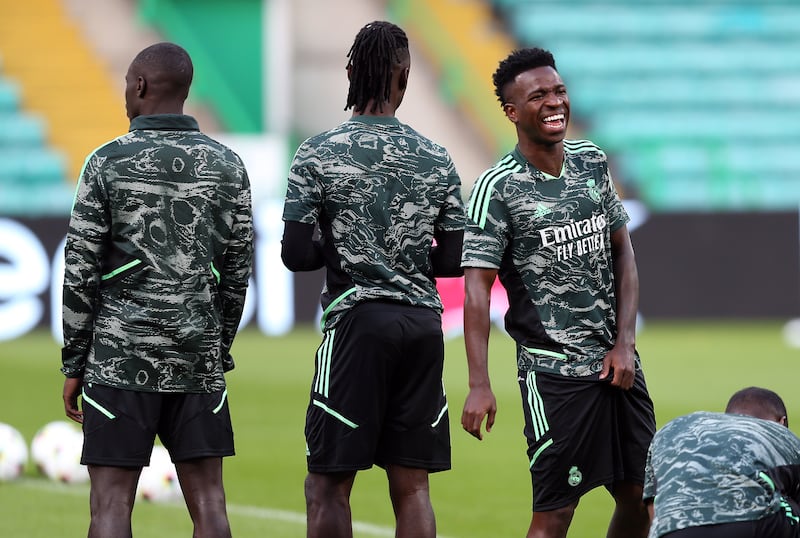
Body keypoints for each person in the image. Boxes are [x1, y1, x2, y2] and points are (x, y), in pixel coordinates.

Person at [460, 47, 655, 537]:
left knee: (641, 497)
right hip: (554, 376)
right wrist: (480, 383)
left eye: (559, 91)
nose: (554, 103)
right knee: (555, 514)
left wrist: (624, 342)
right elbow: (478, 292)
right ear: (511, 112)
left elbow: (624, 254)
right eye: (539, 95)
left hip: (619, 367)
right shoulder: (496, 188)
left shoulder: (591, 162)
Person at [60, 42, 253, 538]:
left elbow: (80, 270)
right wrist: (214, 346)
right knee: (210, 503)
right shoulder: (230, 166)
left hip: (120, 359)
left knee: (110, 506)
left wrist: (75, 362)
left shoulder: (105, 163)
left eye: (128, 83)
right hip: (197, 359)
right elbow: (236, 274)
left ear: (140, 86)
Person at [280, 20, 465, 538]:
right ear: (403, 76)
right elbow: (452, 259)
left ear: (349, 72)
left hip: (358, 326)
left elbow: (295, 254)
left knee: (328, 486)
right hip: (424, 327)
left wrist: (346, 248)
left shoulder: (317, 152)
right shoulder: (437, 157)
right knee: (412, 486)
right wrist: (402, 254)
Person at [644, 387, 800, 537]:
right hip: (750, 527)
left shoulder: (672, 430)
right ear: (782, 422)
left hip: (673, 529)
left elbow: (654, 506)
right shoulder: (780, 434)